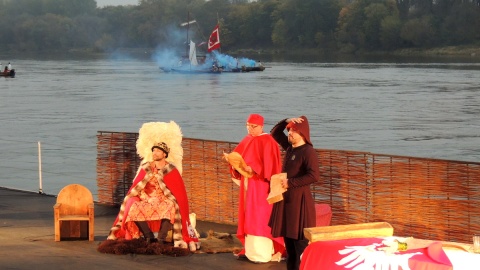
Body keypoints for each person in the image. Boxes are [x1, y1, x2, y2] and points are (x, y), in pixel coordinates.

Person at [107, 121, 199, 252]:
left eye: (158, 151)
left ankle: (161, 238)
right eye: (154, 150)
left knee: (171, 206)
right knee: (133, 208)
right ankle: (149, 237)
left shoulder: (171, 170)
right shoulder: (146, 167)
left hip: (164, 199)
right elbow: (137, 187)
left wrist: (166, 198)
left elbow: (178, 192)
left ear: (164, 154)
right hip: (147, 199)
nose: (155, 153)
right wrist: (144, 196)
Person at [226, 113, 285, 263]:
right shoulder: (247, 139)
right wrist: (233, 162)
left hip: (261, 185)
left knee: (260, 216)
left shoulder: (268, 141)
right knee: (248, 214)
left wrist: (253, 169)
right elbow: (238, 157)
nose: (250, 129)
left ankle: (263, 252)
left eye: (254, 127)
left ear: (261, 126)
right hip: (248, 183)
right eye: (248, 126)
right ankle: (250, 250)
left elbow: (271, 166)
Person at [268, 116, 320, 270]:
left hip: (300, 204)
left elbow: (314, 175)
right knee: (289, 248)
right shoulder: (291, 148)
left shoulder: (308, 152)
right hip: (287, 203)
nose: (289, 133)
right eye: (289, 130)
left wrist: (291, 183)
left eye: (293, 131)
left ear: (302, 134)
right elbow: (275, 133)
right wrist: (286, 121)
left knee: (300, 248)